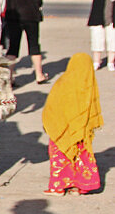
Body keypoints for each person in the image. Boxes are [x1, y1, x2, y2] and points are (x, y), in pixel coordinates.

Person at [42, 53, 103, 195]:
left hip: (60, 129)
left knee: (61, 157)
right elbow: (91, 111)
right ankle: (79, 186)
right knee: (81, 156)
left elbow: (51, 107)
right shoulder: (89, 87)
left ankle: (57, 187)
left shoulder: (62, 82)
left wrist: (50, 124)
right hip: (80, 130)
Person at [3, 0, 47, 83]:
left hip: (13, 14)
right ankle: (39, 75)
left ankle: (9, 77)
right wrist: (37, 5)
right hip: (30, 14)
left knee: (13, 47)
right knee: (34, 44)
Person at [83, 0, 115, 71]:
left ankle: (111, 62)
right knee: (97, 40)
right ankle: (97, 61)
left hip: (112, 17)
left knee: (112, 40)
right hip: (98, 17)